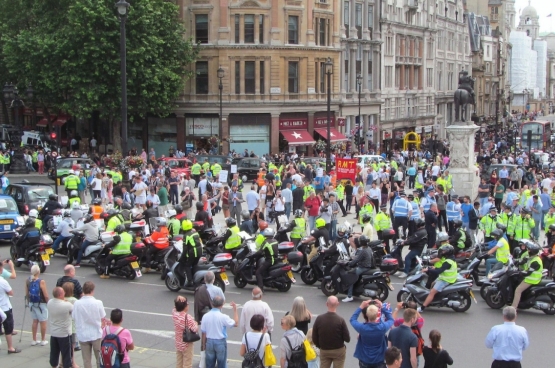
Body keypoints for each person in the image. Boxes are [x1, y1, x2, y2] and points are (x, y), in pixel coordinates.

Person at [350, 299, 394, 368]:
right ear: (377, 314)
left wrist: (361, 307)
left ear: (367, 315)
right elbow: (391, 319)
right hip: (379, 360)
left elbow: (352, 319)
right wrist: (382, 307)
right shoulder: (382, 328)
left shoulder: (362, 328)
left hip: (365, 360)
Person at [72, 281, 106, 368]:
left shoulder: (77, 303)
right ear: (92, 291)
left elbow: (74, 317)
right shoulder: (98, 303)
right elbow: (103, 317)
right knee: (99, 359)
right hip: (96, 334)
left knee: (86, 360)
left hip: (83, 334)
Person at [312, 296, 351, 368]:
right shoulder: (340, 320)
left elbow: (314, 337)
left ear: (327, 304)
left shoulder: (319, 319)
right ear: (338, 304)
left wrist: (320, 346)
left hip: (324, 350)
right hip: (338, 350)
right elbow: (347, 339)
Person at [201, 296, 239, 368]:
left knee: (209, 364)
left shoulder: (205, 316)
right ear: (222, 305)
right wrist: (235, 310)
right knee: (222, 364)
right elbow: (236, 323)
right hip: (220, 342)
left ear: (212, 304)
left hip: (209, 341)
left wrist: (203, 345)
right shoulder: (223, 317)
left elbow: (204, 332)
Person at [418, 244, 457, 312]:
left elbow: (438, 272)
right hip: (446, 277)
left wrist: (428, 270)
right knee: (432, 283)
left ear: (448, 252)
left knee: (432, 292)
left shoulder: (448, 262)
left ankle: (422, 308)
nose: (442, 252)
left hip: (446, 279)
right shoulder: (451, 258)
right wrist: (435, 267)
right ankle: (432, 300)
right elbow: (443, 268)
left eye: (444, 251)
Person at [47, 287, 74, 368]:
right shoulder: (67, 305)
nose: (64, 293)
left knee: (54, 352)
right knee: (66, 354)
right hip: (64, 333)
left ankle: (54, 365)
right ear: (60, 295)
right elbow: (74, 310)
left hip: (54, 332)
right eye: (63, 292)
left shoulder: (50, 302)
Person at [511, 241, 543, 308]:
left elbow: (527, 273)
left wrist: (518, 272)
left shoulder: (535, 262)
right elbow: (522, 261)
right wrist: (514, 261)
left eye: (529, 249)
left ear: (532, 251)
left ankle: (513, 307)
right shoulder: (531, 258)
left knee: (518, 290)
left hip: (531, 279)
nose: (528, 250)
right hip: (529, 278)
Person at [343, 235, 373, 302]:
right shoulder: (368, 248)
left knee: (350, 277)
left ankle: (349, 296)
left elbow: (357, 260)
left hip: (363, 267)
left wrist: (349, 263)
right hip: (367, 266)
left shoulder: (363, 251)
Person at [26, 264, 50, 346]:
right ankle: (43, 340)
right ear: (38, 271)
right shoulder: (41, 281)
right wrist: (48, 302)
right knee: (43, 322)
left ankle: (34, 340)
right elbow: (45, 294)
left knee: (35, 321)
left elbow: (27, 294)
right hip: (41, 304)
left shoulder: (28, 280)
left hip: (32, 303)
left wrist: (29, 302)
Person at [0, 260, 20, 353]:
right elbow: (11, 292)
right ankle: (10, 348)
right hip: (4, 307)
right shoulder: (3, 282)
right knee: (8, 328)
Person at [173, 295, 198, 368]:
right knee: (187, 364)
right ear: (185, 307)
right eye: (187, 304)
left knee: (179, 363)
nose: (188, 305)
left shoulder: (175, 314)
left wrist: (178, 298)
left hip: (178, 343)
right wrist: (196, 323)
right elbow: (194, 329)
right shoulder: (187, 317)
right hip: (186, 344)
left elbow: (174, 308)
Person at [180, 219, 202, 286]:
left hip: (193, 253)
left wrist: (182, 257)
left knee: (187, 266)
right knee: (194, 265)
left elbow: (185, 248)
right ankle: (195, 278)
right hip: (199, 252)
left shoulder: (186, 235)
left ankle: (190, 281)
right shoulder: (195, 233)